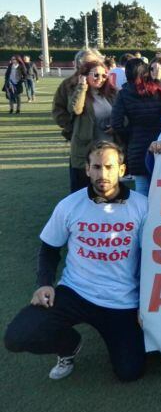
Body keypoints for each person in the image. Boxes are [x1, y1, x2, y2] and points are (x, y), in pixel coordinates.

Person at [4, 141, 148, 381]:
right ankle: (69, 345)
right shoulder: (70, 205)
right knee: (18, 336)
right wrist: (44, 283)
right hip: (75, 291)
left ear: (122, 170)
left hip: (121, 299)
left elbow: (152, 258)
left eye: (110, 167)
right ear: (87, 169)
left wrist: (146, 303)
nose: (103, 174)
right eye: (97, 167)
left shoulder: (142, 206)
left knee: (130, 372)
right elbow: (49, 248)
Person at [111, 57, 161, 196]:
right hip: (159, 142)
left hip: (137, 145)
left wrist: (130, 134)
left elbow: (116, 123)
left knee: (141, 190)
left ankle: (142, 218)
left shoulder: (123, 94)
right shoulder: (159, 90)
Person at [68, 59, 118, 192]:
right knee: (82, 192)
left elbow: (121, 115)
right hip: (84, 149)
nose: (100, 79)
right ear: (84, 75)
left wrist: (116, 126)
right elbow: (76, 109)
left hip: (107, 149)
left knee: (106, 190)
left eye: (104, 75)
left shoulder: (112, 94)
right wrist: (82, 87)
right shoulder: (77, 91)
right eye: (95, 75)